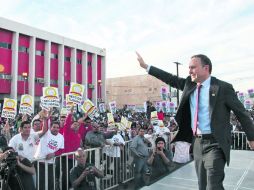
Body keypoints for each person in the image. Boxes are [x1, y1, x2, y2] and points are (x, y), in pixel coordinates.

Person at [136, 52, 254, 190]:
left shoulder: (223, 88)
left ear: (206, 68)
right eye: (189, 67)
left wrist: (251, 137)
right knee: (202, 185)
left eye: (193, 67)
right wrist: (146, 66)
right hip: (197, 143)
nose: (189, 70)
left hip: (216, 143)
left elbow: (242, 113)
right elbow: (168, 78)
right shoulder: (189, 84)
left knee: (213, 185)